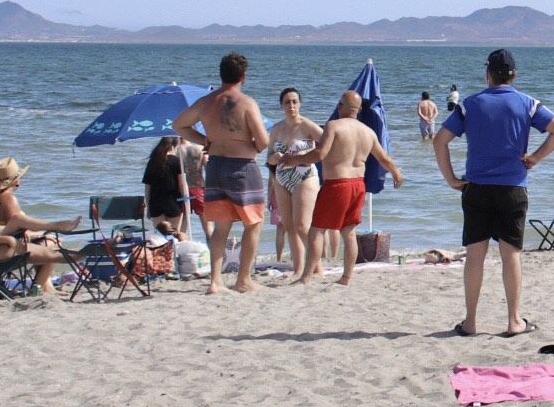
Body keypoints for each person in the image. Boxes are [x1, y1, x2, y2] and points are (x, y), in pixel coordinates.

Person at [434, 49, 554, 337]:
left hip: (477, 187)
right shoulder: (527, 103)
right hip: (513, 187)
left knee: (475, 256)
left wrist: (451, 179)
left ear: (488, 74)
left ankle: (470, 322)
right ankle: (513, 321)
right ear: (514, 75)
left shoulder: (469, 105)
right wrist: (535, 157)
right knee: (511, 256)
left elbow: (440, 140)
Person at [276, 90, 403, 286]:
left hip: (337, 184)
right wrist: (396, 173)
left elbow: (319, 154)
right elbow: (384, 158)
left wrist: (293, 159)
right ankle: (346, 278)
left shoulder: (333, 126)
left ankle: (307, 277)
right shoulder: (368, 132)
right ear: (359, 110)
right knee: (348, 232)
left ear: (340, 106)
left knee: (316, 230)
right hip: (358, 185)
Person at [172, 52, 271, 295]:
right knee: (254, 223)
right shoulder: (246, 103)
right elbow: (264, 140)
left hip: (215, 165)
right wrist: (255, 146)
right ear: (243, 76)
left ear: (221, 73)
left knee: (221, 226)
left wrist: (204, 138)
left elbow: (178, 125)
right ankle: (243, 279)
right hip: (242, 166)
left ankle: (215, 282)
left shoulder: (206, 102)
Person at [267, 87, 322, 269]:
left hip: (305, 175)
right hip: (282, 177)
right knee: (289, 226)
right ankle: (298, 268)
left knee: (302, 226)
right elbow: (268, 157)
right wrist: (273, 158)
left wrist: (308, 152)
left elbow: (328, 145)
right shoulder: (276, 129)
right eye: (287, 102)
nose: (291, 105)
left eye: (294, 102)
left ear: (300, 104)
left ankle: (317, 266)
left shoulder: (307, 125)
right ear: (281, 105)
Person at [0, 157, 82, 243]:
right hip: (9, 242)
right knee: (54, 242)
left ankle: (55, 227)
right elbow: (17, 228)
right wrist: (41, 235)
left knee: (49, 237)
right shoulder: (8, 198)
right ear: (16, 181)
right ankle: (58, 226)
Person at [141, 137, 187, 236]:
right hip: (173, 201)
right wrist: (186, 202)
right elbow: (182, 185)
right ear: (172, 147)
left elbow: (147, 187)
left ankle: (161, 251)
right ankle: (173, 251)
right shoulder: (177, 161)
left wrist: (148, 208)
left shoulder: (152, 162)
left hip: (155, 203)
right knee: (174, 234)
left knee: (160, 235)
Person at [174, 136, 207, 239]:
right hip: (198, 187)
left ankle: (182, 250)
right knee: (208, 227)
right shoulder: (200, 148)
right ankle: (213, 251)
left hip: (182, 189)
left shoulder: (175, 150)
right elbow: (208, 168)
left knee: (182, 226)